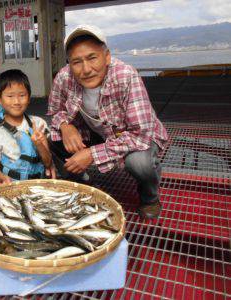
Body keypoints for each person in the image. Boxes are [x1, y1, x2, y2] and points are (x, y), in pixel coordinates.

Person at [47, 25, 168, 219]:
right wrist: (65, 126)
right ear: (69, 63)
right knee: (53, 139)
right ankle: (84, 181)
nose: (86, 69)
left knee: (140, 163)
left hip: (135, 136)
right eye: (76, 62)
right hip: (96, 131)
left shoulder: (126, 76)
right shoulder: (64, 77)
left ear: (107, 56)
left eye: (92, 58)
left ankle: (150, 197)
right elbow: (55, 111)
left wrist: (92, 154)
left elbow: (140, 135)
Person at [0, 69, 55, 184]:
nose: (16, 101)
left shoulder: (38, 124)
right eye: (10, 96)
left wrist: (39, 144)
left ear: (28, 98)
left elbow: (48, 163)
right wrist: (2, 179)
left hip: (37, 183)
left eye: (22, 95)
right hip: (10, 184)